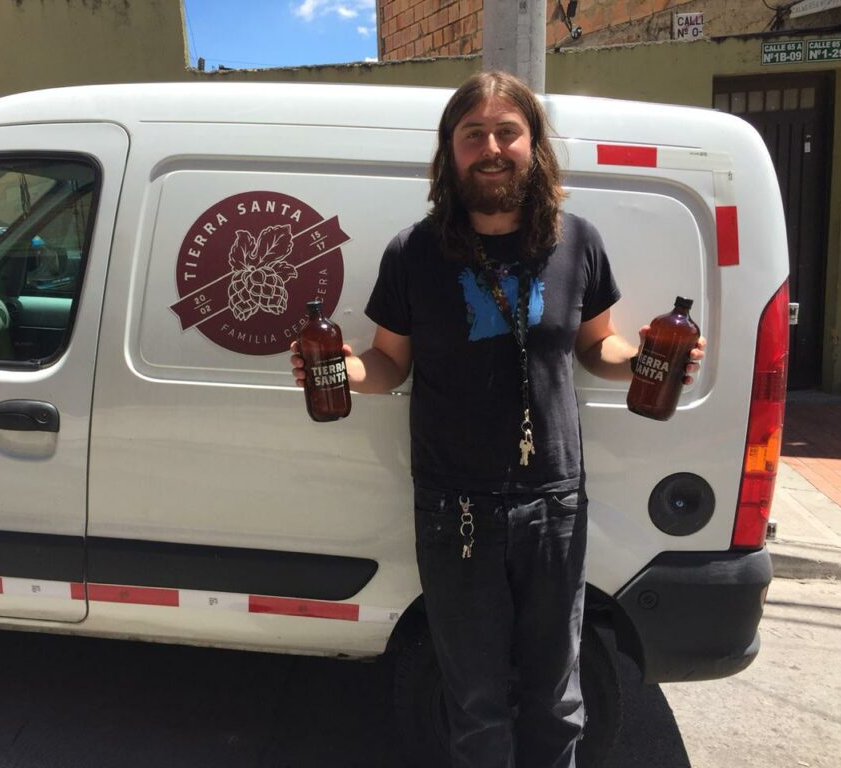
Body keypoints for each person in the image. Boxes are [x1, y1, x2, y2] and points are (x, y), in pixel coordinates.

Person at [291, 70, 705, 768]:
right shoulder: (413, 251)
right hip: (454, 506)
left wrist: (642, 362)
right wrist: (344, 372)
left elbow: (595, 344)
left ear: (532, 145)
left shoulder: (578, 241)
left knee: (555, 700)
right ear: (450, 152)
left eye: (506, 131)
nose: (491, 147)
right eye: (472, 133)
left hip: (553, 503)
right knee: (475, 705)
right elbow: (390, 361)